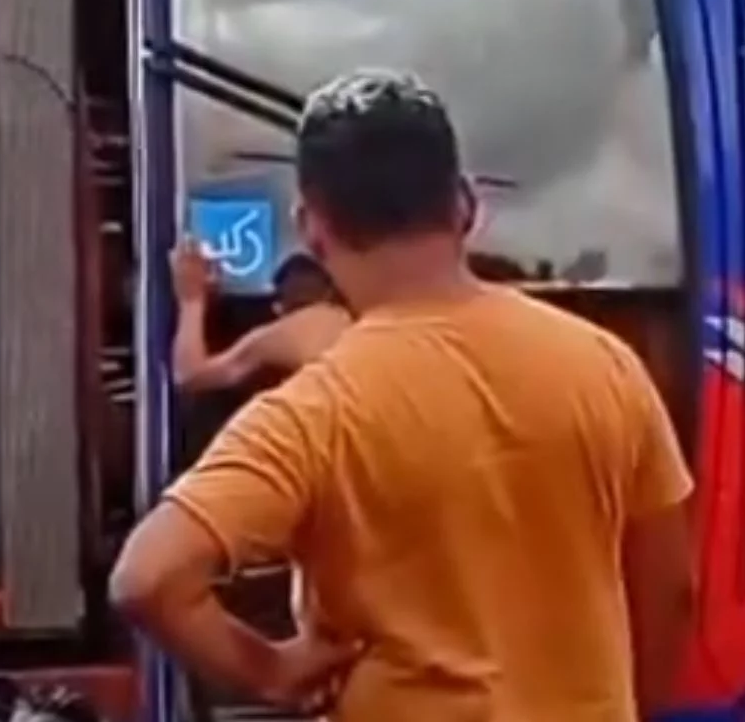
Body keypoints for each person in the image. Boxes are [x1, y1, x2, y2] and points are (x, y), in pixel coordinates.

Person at [111, 68, 696, 720]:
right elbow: (671, 590)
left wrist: (270, 672)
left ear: (310, 227)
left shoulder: (316, 411)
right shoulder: (606, 367)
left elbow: (149, 578)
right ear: (465, 206)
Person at [170, 249, 351, 394]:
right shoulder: (355, 322)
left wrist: (191, 299)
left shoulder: (295, 332)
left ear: (279, 308)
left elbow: (189, 375)